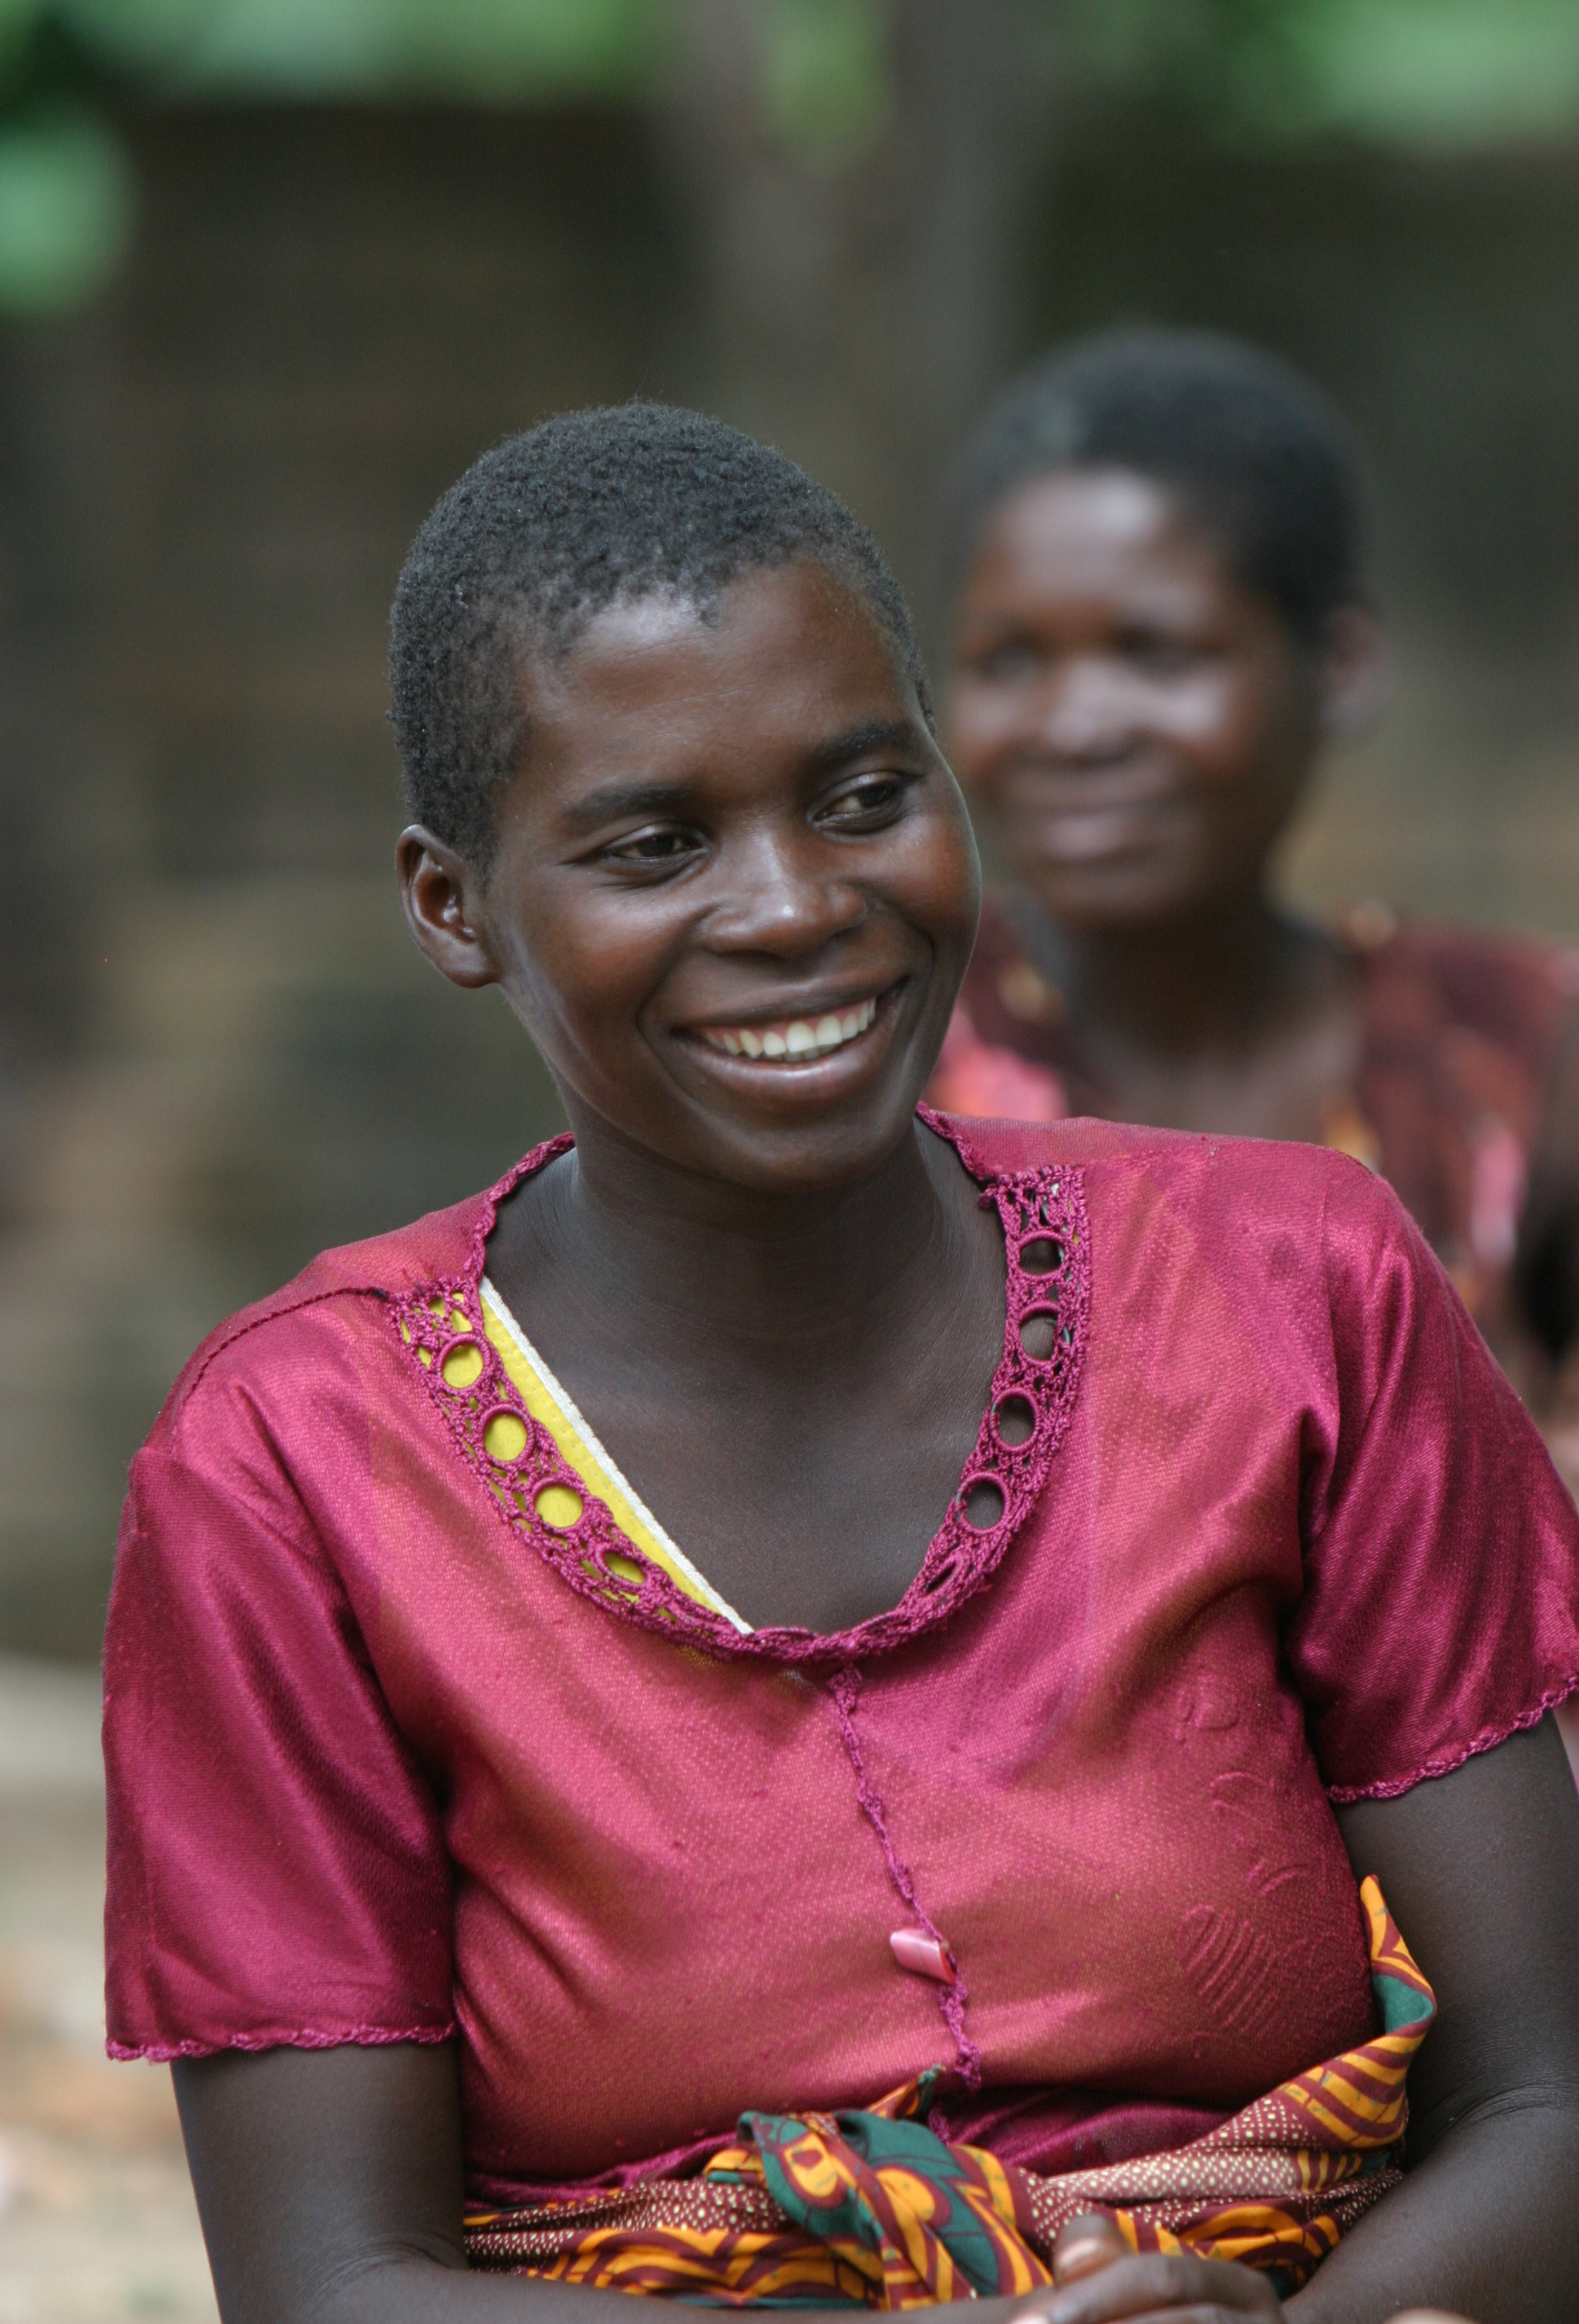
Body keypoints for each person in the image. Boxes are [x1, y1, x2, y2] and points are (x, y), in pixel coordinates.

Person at [102, 405, 1579, 2324]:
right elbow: (328, 2285)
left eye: (865, 795)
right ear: (452, 908)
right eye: (654, 844)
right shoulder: (295, 1466)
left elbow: (1548, 2094)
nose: (797, 906)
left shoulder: (1294, 1286)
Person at [928, 328, 1579, 1402]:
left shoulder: (1515, 1050)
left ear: (1341, 667)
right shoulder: (887, 1073)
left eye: (1155, 653)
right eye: (1009, 661)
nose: (1074, 726)